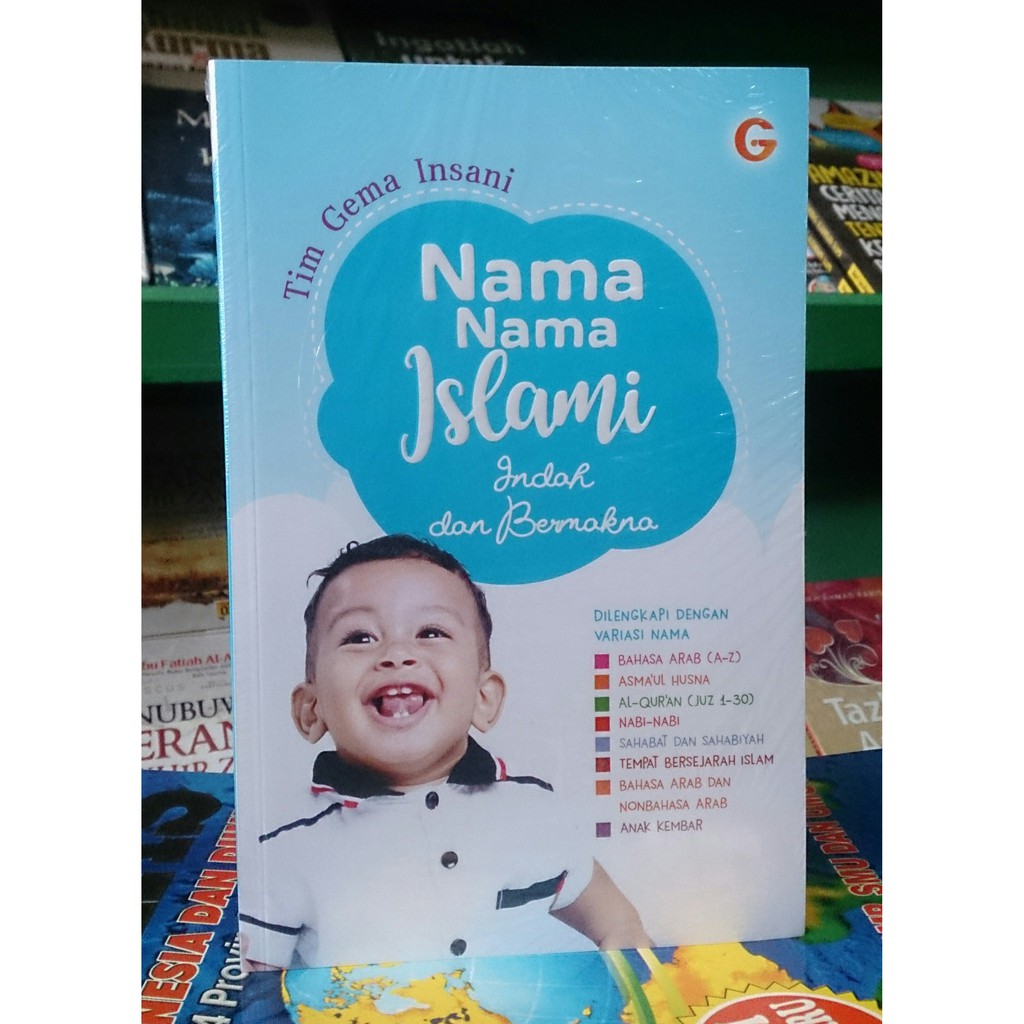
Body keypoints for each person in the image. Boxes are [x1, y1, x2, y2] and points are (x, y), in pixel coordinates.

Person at [239, 534, 651, 969]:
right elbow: (257, 988)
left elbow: (618, 925)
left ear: (484, 698)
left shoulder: (533, 810)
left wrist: (641, 986)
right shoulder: (285, 848)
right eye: (360, 637)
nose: (397, 654)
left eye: (430, 632)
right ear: (310, 710)